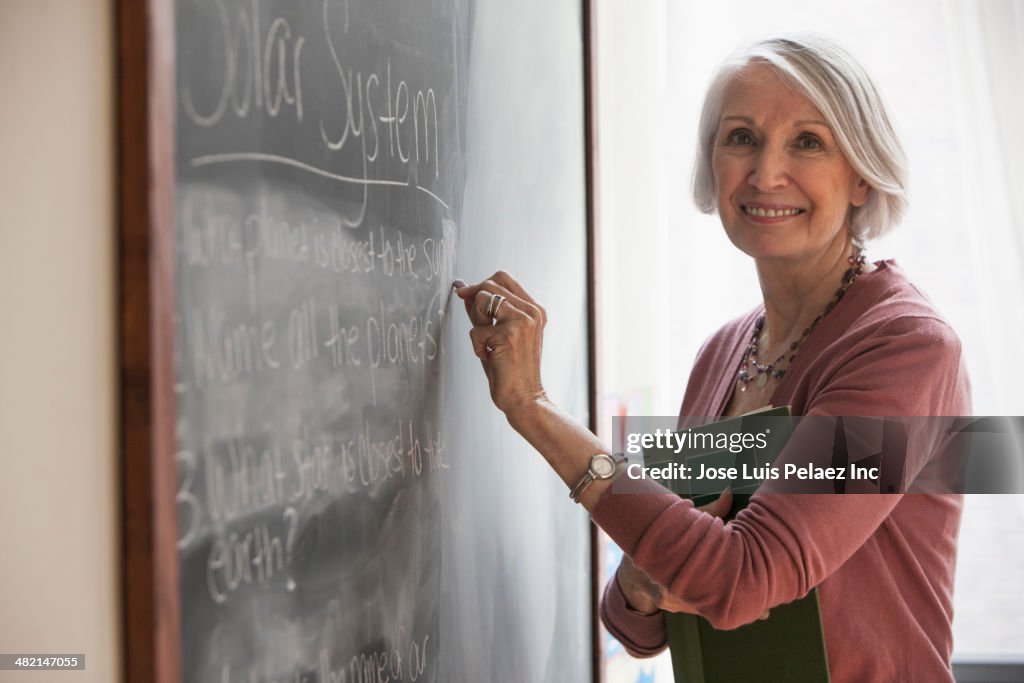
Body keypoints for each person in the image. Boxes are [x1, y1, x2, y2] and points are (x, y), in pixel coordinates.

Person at [453, 33, 969, 683]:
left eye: (807, 142)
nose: (765, 173)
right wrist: (642, 585)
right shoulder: (723, 353)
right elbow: (641, 623)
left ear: (862, 175)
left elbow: (740, 580)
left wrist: (533, 408)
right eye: (741, 137)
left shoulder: (906, 349)